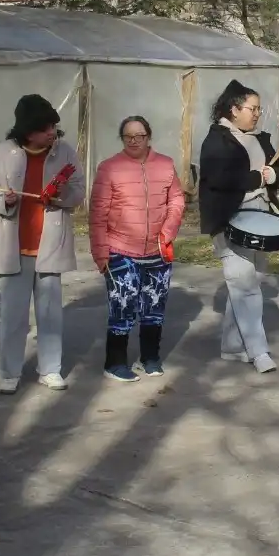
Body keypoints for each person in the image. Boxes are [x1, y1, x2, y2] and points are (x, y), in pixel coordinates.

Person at [0, 94, 85, 394]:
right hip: (14, 246)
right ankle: (9, 372)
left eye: (53, 126)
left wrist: (61, 195)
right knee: (13, 316)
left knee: (51, 313)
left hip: (50, 244)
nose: (51, 132)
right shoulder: (5, 152)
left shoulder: (64, 152)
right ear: (27, 131)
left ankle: (50, 369)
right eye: (44, 127)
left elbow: (79, 192)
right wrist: (5, 199)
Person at [89, 116, 186, 382]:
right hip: (120, 248)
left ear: (148, 137)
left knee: (154, 305)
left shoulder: (165, 165)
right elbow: (97, 214)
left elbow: (176, 199)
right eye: (128, 136)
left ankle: (151, 357)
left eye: (139, 136)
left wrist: (168, 231)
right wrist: (100, 253)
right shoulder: (109, 168)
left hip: (157, 249)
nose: (134, 141)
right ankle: (115, 363)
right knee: (122, 305)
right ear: (122, 139)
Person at [199, 80, 279, 374]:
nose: (257, 114)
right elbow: (221, 180)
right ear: (234, 109)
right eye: (253, 108)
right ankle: (258, 350)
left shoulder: (261, 137)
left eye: (260, 108)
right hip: (230, 219)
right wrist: (257, 178)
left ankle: (233, 346)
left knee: (253, 279)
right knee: (243, 283)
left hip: (261, 216)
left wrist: (273, 174)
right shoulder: (217, 140)